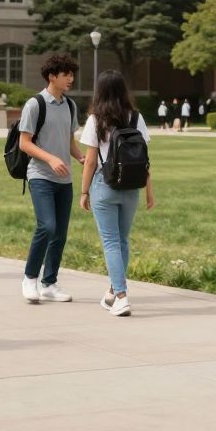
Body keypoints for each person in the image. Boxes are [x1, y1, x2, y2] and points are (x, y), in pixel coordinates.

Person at [79, 70, 155, 316]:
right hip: (131, 187)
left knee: (111, 242)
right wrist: (150, 191)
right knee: (122, 241)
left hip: (104, 185)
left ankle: (121, 297)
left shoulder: (96, 120)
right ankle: (112, 292)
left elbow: (91, 161)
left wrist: (83, 192)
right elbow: (144, 159)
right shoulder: (136, 118)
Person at [19, 53, 85, 304]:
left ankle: (49, 283)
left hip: (64, 180)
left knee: (60, 233)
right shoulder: (35, 104)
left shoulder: (70, 106)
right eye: (66, 74)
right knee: (46, 226)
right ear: (52, 76)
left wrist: (81, 158)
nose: (71, 79)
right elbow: (24, 143)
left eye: (72, 74)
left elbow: (69, 141)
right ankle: (29, 278)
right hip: (40, 176)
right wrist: (50, 159)